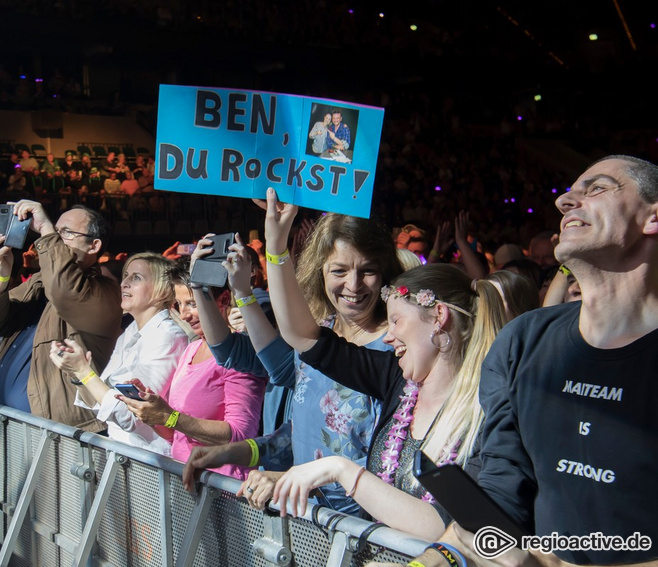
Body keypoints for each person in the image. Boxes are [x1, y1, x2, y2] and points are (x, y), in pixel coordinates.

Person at [407, 155, 658, 567]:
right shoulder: (522, 341)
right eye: (568, 192)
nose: (564, 201)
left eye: (595, 189)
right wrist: (434, 561)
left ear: (652, 217)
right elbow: (503, 486)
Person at [252, 188, 507, 540]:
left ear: (439, 318)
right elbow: (306, 340)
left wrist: (341, 470)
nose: (388, 337)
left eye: (397, 322)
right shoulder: (396, 380)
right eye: (340, 269)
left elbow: (445, 524)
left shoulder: (489, 407)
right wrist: (276, 246)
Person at [183, 212, 403, 516]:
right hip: (308, 523)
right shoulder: (320, 333)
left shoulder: (396, 350)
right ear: (320, 272)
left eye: (368, 271)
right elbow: (299, 434)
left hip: (362, 534)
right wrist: (232, 452)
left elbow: (389, 466)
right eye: (339, 270)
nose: (353, 285)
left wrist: (291, 480)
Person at [0, 200, 122, 430]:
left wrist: (45, 229)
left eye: (66, 232)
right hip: (8, 423)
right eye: (55, 230)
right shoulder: (38, 281)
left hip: (60, 432)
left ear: (93, 246)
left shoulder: (103, 291)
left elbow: (65, 291)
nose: (54, 237)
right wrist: (1, 277)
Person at [118, 266, 266, 480]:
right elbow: (176, 434)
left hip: (223, 490)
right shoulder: (192, 348)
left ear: (223, 300)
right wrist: (154, 414)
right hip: (187, 481)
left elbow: (241, 436)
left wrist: (170, 417)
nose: (184, 314)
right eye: (179, 304)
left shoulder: (239, 356)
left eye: (192, 304)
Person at [48, 252, 189, 455]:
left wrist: (83, 372)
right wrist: (78, 373)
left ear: (161, 291)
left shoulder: (167, 336)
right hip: (121, 452)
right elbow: (101, 400)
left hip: (150, 459)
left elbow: (133, 415)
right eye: (126, 276)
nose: (124, 283)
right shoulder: (130, 332)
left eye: (136, 278)